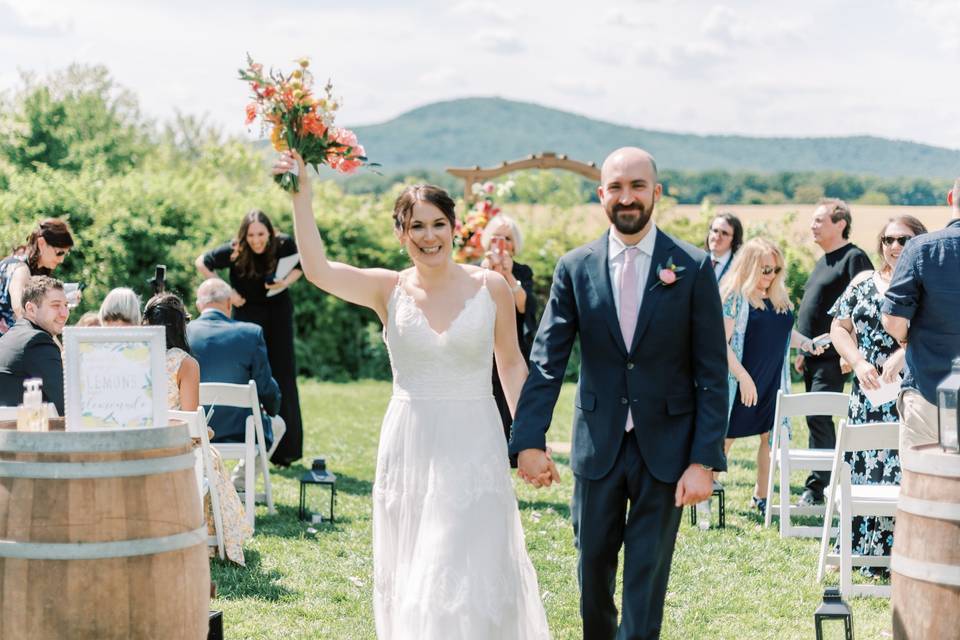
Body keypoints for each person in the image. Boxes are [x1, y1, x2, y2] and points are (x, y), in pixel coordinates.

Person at [273, 149, 552, 639]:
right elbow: (317, 270)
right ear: (401, 234)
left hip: (474, 439)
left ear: (454, 227)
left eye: (438, 224)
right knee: (419, 568)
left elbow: (510, 364)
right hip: (411, 442)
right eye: (416, 227)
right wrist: (302, 197)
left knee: (470, 559)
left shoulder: (491, 287)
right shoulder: (387, 289)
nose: (429, 236)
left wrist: (530, 441)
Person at [511, 147, 728, 639]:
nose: (626, 197)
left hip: (667, 450)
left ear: (656, 192)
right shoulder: (574, 266)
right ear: (601, 194)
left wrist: (704, 459)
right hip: (598, 444)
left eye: (636, 186)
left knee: (646, 579)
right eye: (616, 187)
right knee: (592, 572)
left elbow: (712, 372)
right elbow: (547, 360)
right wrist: (528, 439)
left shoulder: (691, 267)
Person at [829, 214, 927, 576]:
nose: (895, 247)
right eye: (888, 240)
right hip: (866, 394)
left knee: (901, 470)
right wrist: (855, 361)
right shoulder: (862, 282)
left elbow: (939, 330)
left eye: (903, 239)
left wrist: (905, 353)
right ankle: (857, 550)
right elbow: (838, 326)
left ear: (918, 242)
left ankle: (897, 555)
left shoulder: (925, 283)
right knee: (862, 469)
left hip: (911, 393)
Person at [721, 238, 826, 517]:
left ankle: (761, 497)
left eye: (776, 270)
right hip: (740, 380)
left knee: (770, 439)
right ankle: (709, 491)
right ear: (750, 266)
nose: (770, 276)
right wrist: (742, 377)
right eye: (765, 269)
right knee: (725, 437)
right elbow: (720, 344)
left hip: (772, 381)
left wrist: (807, 344)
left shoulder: (778, 297)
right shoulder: (735, 298)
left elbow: (782, 334)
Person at [196, 210, 304, 466]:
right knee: (250, 376)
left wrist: (283, 283)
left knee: (284, 374)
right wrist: (229, 293)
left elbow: (302, 263)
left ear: (271, 232)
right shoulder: (234, 250)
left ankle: (284, 451)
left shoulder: (284, 243)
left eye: (261, 234)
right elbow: (201, 262)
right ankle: (247, 438)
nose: (257, 240)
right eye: (251, 235)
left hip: (277, 315)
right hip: (246, 317)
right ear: (244, 235)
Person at [795, 198, 874, 506]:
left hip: (835, 357)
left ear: (840, 224)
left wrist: (849, 350)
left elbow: (863, 307)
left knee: (819, 415)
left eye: (819, 220)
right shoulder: (823, 259)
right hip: (812, 356)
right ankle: (822, 484)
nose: (813, 226)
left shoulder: (854, 258)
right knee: (814, 418)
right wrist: (803, 348)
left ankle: (819, 489)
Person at [882, 178, 960, 450]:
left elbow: (892, 320)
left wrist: (906, 340)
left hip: (927, 391)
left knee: (923, 487)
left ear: (951, 197)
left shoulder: (920, 249)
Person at [186, 278, 286, 468]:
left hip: (196, 430)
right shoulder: (251, 333)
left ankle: (205, 480)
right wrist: (273, 408)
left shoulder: (183, 333)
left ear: (199, 306)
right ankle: (240, 483)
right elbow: (265, 387)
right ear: (229, 304)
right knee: (278, 424)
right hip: (241, 431)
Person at [479, 214, 538, 458]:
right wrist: (487, 271)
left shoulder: (522, 271)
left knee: (510, 396)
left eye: (508, 239)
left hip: (512, 342)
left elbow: (525, 306)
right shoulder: (476, 268)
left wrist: (509, 276)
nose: (502, 243)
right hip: (483, 343)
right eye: (497, 238)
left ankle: (510, 449)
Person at [0, 276, 69, 414]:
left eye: (66, 305)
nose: (64, 314)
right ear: (31, 309)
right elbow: (68, 406)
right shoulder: (37, 342)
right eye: (55, 305)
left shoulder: (12, 336)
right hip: (26, 432)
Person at [0, 219, 74, 335]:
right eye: (59, 253)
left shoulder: (28, 267)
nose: (62, 259)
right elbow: (21, 311)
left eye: (65, 253)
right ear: (41, 243)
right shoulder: (21, 270)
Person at [142, 293, 199, 414]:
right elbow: (190, 422)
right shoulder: (185, 363)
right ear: (181, 325)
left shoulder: (134, 356)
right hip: (172, 432)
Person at [705, 212, 743, 280]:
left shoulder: (740, 268)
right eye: (715, 230)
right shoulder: (698, 261)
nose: (717, 237)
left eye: (724, 233)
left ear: (734, 239)